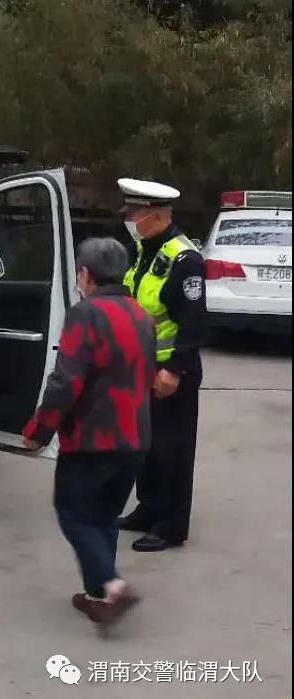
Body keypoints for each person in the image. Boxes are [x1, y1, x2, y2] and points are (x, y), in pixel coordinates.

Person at [23, 237, 156, 626]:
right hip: (134, 436)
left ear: (84, 274)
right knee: (104, 515)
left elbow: (66, 382)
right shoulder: (141, 315)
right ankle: (99, 596)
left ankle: (110, 585)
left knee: (74, 512)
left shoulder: (85, 314)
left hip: (93, 438)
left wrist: (39, 430)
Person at [115, 178, 206, 553]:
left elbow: (193, 321)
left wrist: (174, 370)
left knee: (173, 449)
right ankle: (149, 508)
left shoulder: (185, 259)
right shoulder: (141, 250)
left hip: (170, 370)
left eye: (133, 213)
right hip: (140, 366)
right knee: (146, 446)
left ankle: (171, 525)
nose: (129, 220)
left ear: (154, 215)